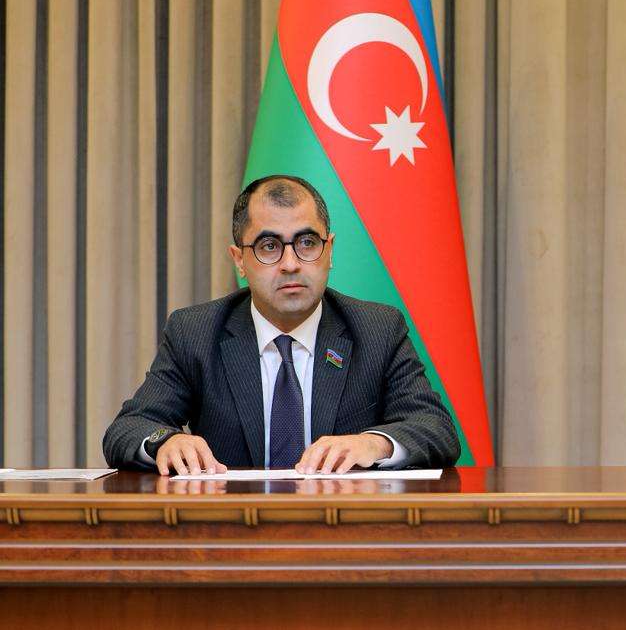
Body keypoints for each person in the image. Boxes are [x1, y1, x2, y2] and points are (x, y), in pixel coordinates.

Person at [103, 175, 461, 475]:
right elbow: (128, 428)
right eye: (269, 246)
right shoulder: (196, 332)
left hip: (343, 529)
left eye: (307, 243)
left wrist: (374, 443)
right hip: (233, 530)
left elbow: (436, 429)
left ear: (329, 250)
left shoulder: (377, 330)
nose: (291, 263)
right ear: (239, 260)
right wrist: (168, 441)